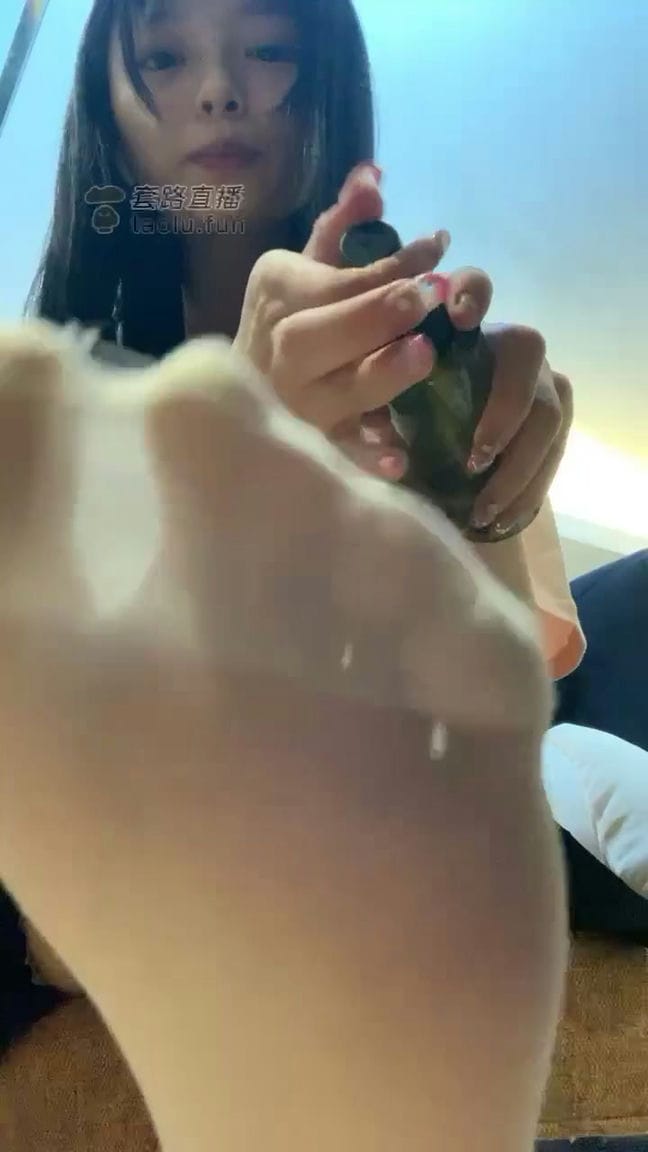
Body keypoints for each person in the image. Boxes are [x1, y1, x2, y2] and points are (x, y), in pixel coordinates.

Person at [1, 0, 582, 1148]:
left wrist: (468, 489)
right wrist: (235, 460)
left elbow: (511, 703)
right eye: (165, 55)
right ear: (102, 114)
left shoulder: (426, 360)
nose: (220, 88)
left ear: (324, 82)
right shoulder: (44, 414)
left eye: (267, 49)